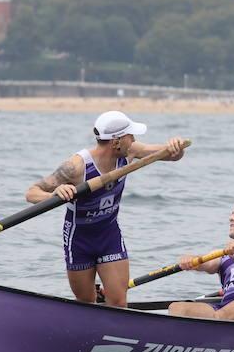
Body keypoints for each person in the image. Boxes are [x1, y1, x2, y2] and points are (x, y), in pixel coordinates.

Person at [24, 110, 187, 308]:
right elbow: (32, 193)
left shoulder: (131, 150)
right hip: (78, 239)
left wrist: (176, 147)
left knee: (118, 302)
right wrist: (54, 194)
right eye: (130, 136)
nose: (134, 139)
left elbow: (169, 155)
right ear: (116, 141)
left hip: (109, 235)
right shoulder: (76, 166)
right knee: (85, 302)